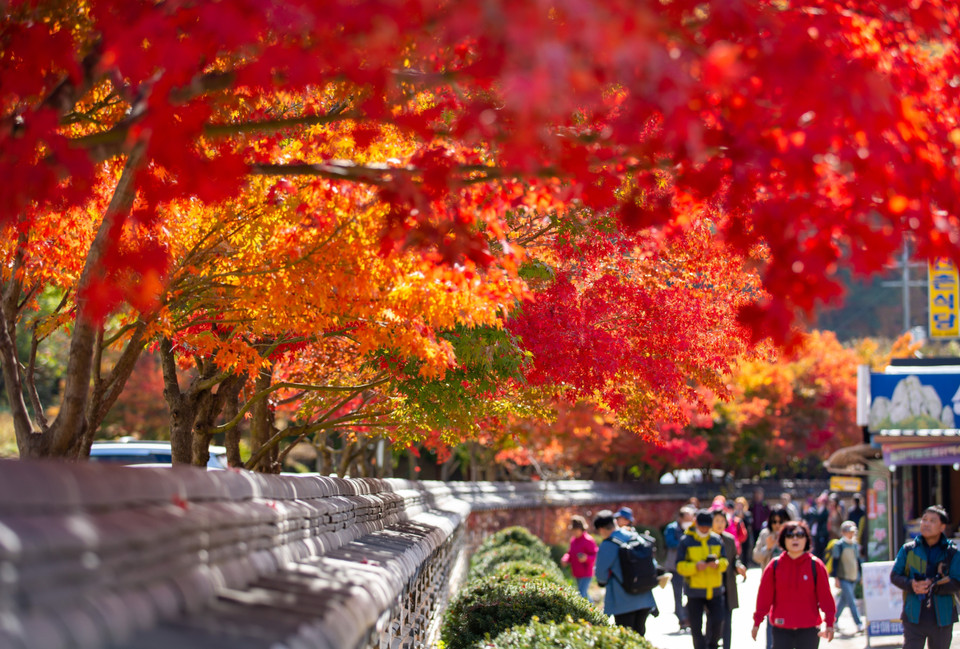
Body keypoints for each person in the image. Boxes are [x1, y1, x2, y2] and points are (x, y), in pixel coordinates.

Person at [751, 521, 836, 649]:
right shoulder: (775, 565)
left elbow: (826, 597)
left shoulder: (816, 565)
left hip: (809, 629)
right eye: (790, 535)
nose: (795, 539)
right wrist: (757, 622)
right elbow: (764, 597)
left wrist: (829, 623)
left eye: (800, 535)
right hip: (781, 629)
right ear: (783, 540)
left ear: (806, 539)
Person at [890, 505, 960, 649]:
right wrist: (911, 584)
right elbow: (895, 575)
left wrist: (933, 585)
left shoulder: (952, 552)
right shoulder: (908, 549)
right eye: (924, 520)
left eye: (932, 521)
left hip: (943, 617)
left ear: (942, 527)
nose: (926, 523)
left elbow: (957, 582)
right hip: (913, 615)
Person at [594, 509, 659, 635]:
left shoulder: (608, 544)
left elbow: (601, 573)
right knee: (640, 635)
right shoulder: (635, 536)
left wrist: (602, 582)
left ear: (601, 529)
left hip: (622, 600)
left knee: (626, 638)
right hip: (645, 597)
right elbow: (650, 561)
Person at [677, 509, 728, 649]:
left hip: (715, 588)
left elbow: (725, 561)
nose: (705, 529)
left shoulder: (716, 539)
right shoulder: (686, 540)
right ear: (696, 523)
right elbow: (679, 566)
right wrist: (695, 567)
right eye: (702, 526)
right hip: (695, 590)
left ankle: (712, 646)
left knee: (718, 622)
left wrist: (718, 564)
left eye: (707, 526)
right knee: (696, 627)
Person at [752, 506, 788, 649]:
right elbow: (756, 557)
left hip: (790, 585)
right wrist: (768, 547)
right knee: (771, 620)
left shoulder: (792, 534)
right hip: (771, 585)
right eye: (774, 522)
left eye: (780, 521)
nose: (777, 525)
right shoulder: (765, 535)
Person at [712, 509, 748, 649]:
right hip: (712, 586)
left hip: (727, 585)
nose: (720, 524)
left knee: (727, 621)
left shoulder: (729, 539)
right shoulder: (706, 539)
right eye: (717, 521)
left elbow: (734, 559)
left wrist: (739, 566)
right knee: (714, 622)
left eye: (722, 521)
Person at [665, 506, 696, 630]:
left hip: (690, 567)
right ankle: (682, 619)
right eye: (687, 519)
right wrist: (684, 544)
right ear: (680, 518)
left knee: (690, 593)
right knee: (678, 594)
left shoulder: (693, 529)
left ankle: (686, 615)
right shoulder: (672, 528)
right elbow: (670, 542)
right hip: (675, 567)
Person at [831, 521, 863, 634]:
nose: (851, 534)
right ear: (843, 532)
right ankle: (859, 623)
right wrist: (836, 578)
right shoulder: (839, 545)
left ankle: (833, 621)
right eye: (849, 532)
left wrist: (861, 575)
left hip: (853, 576)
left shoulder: (854, 544)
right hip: (843, 577)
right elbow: (835, 562)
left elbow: (858, 560)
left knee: (843, 601)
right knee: (851, 601)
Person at [561, 514, 598, 599]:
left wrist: (586, 558)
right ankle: (593, 609)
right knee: (583, 593)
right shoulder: (573, 541)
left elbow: (594, 555)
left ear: (582, 529)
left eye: (576, 530)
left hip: (586, 572)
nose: (574, 532)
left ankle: (590, 610)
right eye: (573, 530)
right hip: (577, 572)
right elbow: (570, 553)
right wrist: (565, 559)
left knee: (582, 593)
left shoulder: (588, 540)